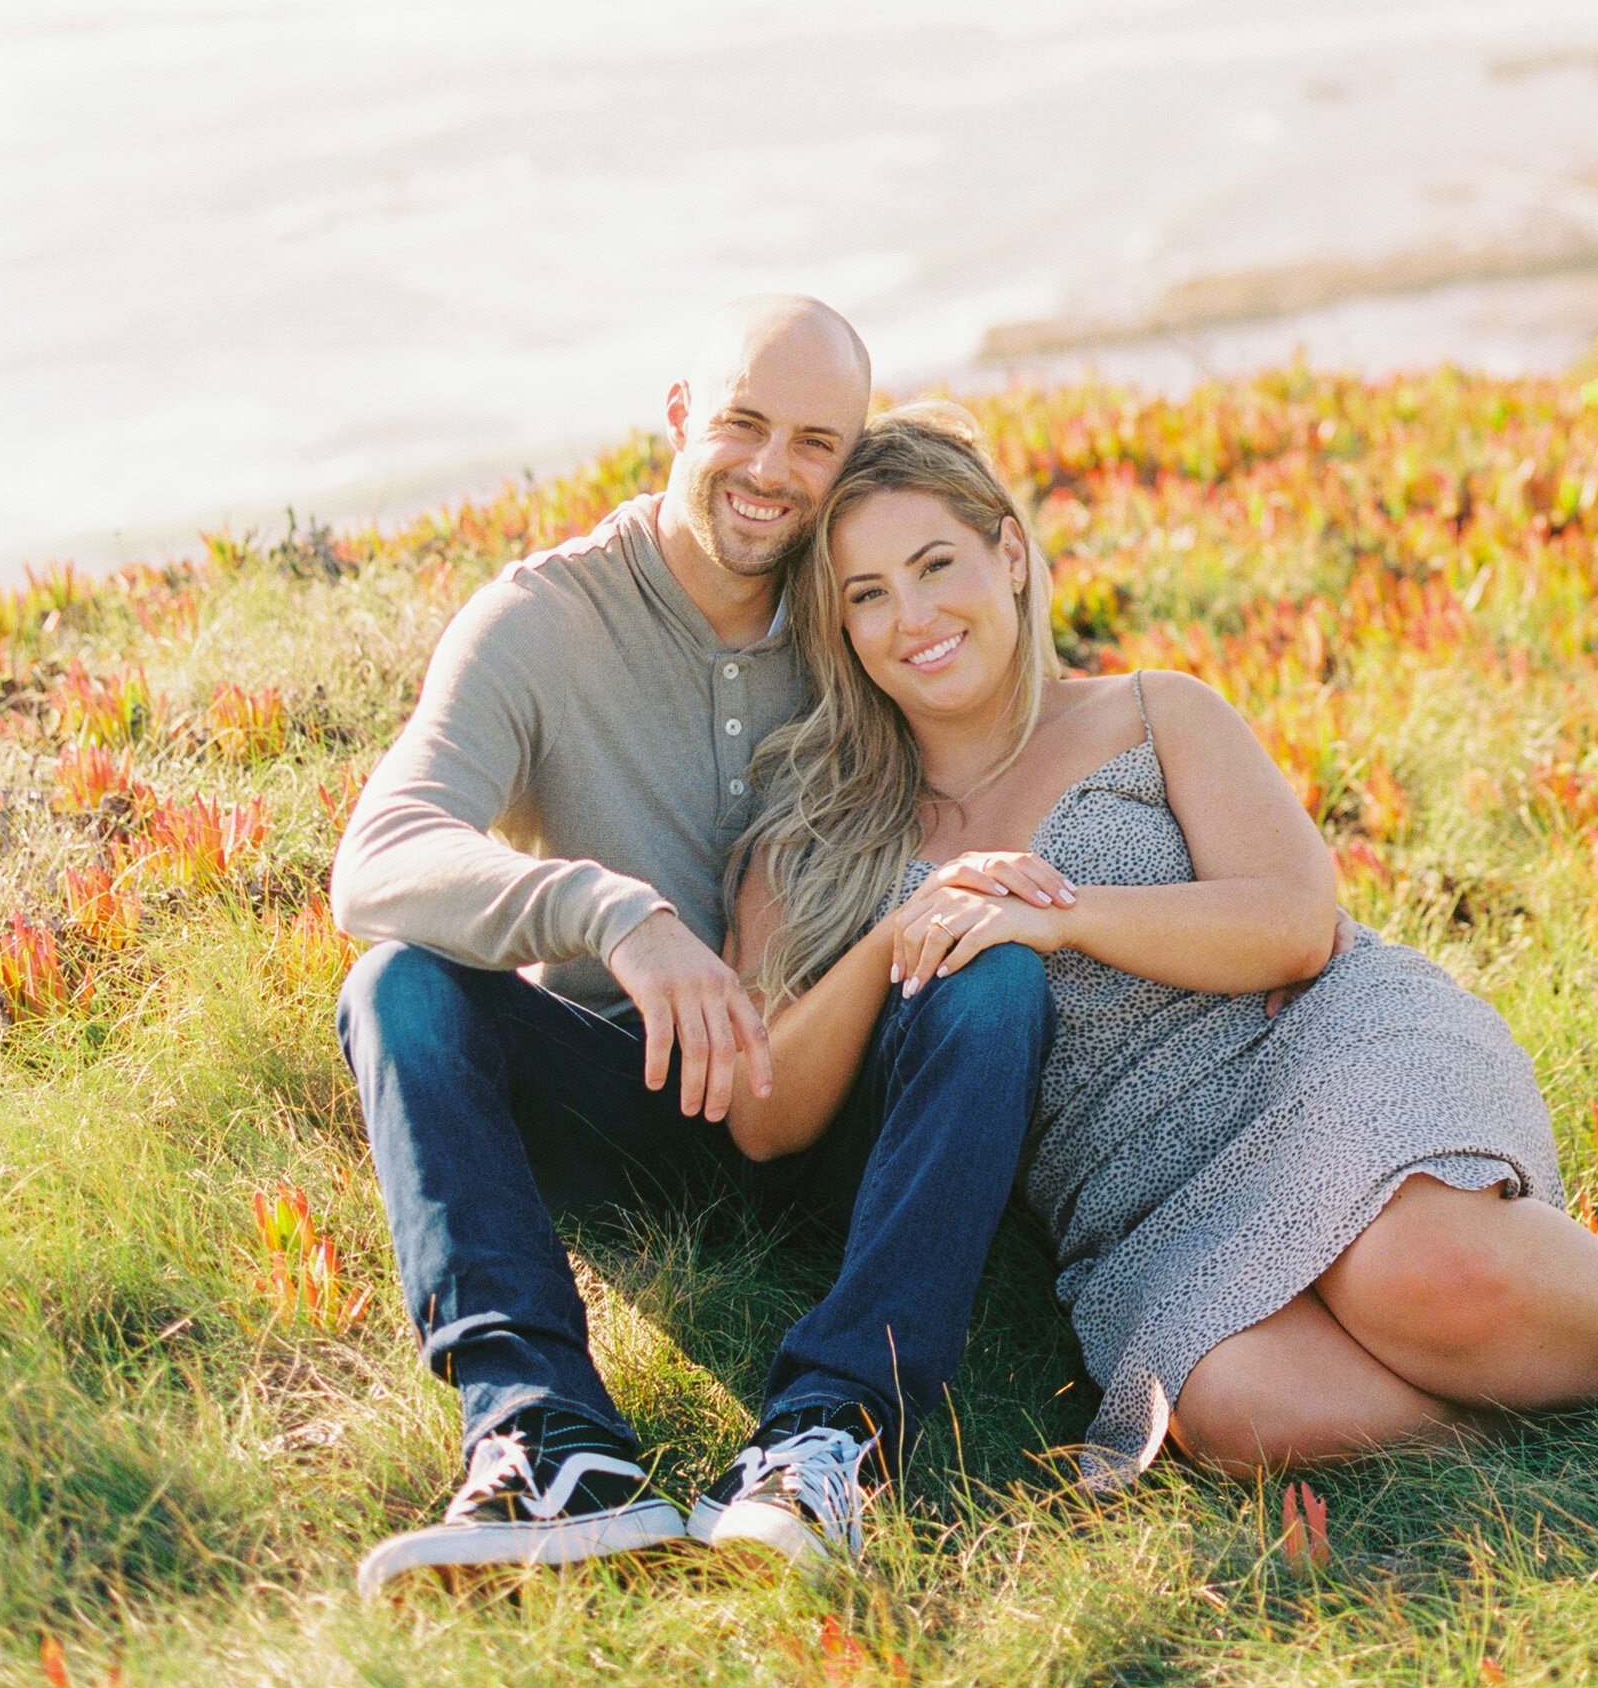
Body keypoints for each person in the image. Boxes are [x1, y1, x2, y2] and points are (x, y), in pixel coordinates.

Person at [725, 407, 1598, 1487]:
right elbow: (767, 1121)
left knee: (1422, 1278)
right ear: (837, 626)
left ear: (1007, 553)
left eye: (937, 563)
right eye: (868, 594)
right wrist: (908, 918)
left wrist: (1049, 912)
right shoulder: (822, 826)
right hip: (1130, 1188)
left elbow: (1296, 928)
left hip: (1312, 1050)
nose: (914, 616)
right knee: (1245, 1414)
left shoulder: (1151, 710)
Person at [330, 296, 1065, 1595]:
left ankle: (832, 1434)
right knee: (400, 988)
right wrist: (615, 913)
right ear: (680, 416)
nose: (774, 471)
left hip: (852, 1100)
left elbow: (1022, 709)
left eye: (817, 443)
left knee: (990, 974)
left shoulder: (867, 610)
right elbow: (382, 855)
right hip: (629, 1106)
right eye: (743, 424)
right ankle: (548, 1444)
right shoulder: (539, 621)